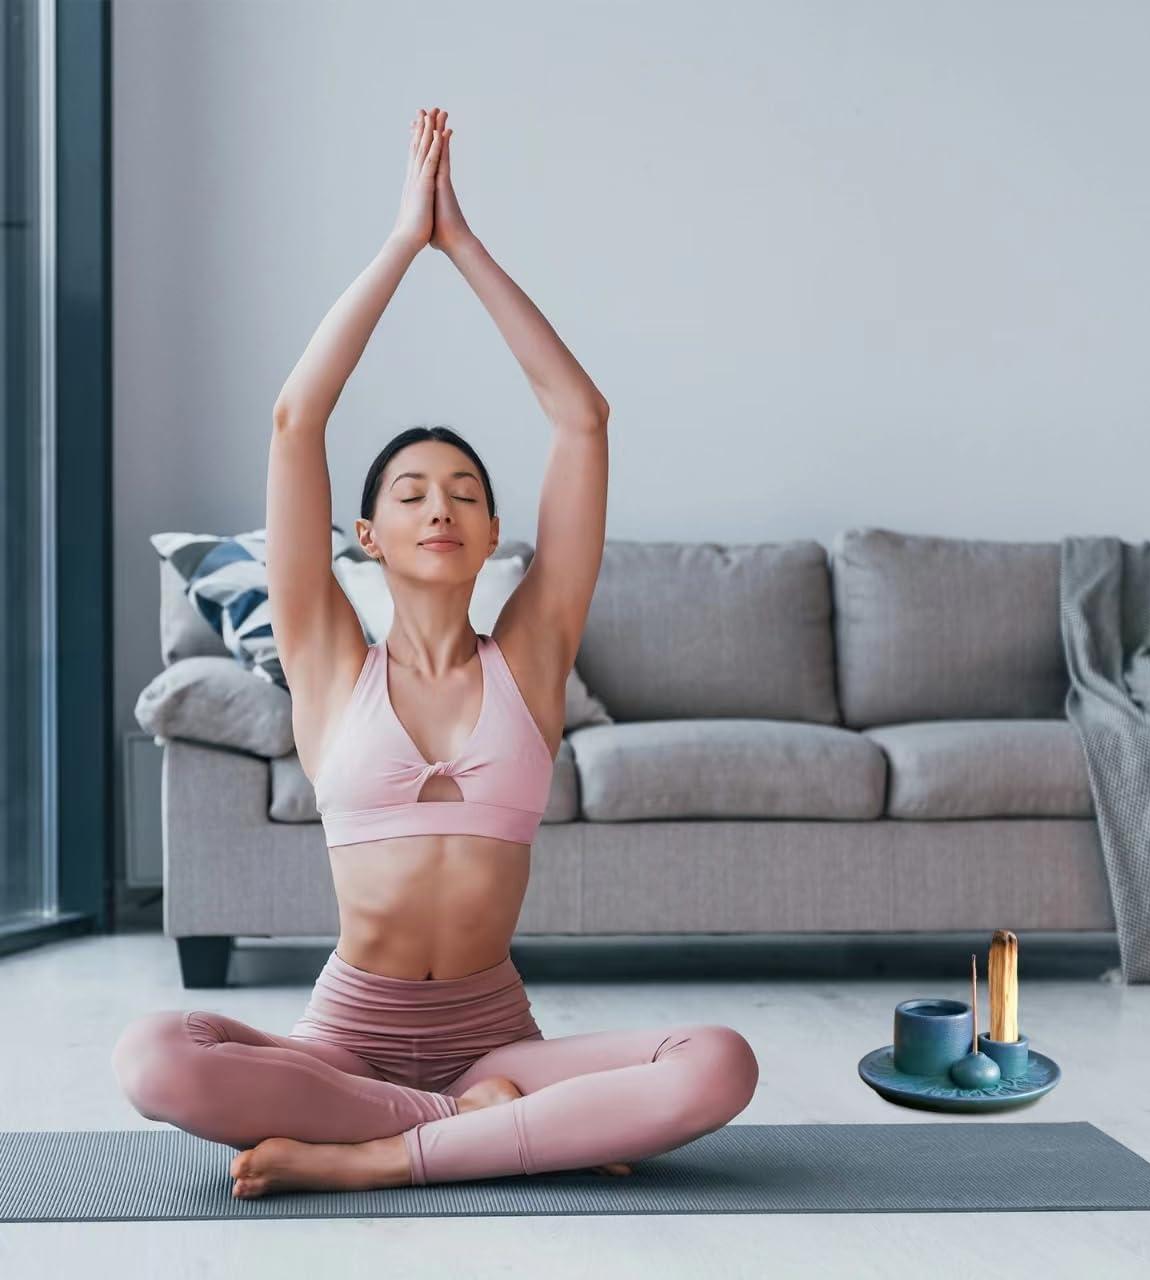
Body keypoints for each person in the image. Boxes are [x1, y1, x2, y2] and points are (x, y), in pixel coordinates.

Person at [111, 105, 759, 1198]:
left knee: (720, 1062)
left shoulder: (531, 655)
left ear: (493, 531)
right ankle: (487, 1133)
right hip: (346, 1039)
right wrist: (402, 244)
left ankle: (381, 1154)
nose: (439, 505)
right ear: (367, 536)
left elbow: (581, 420)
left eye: (464, 492)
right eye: (411, 492)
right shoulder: (325, 659)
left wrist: (464, 248)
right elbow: (294, 421)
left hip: (495, 1034)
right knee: (151, 1057)